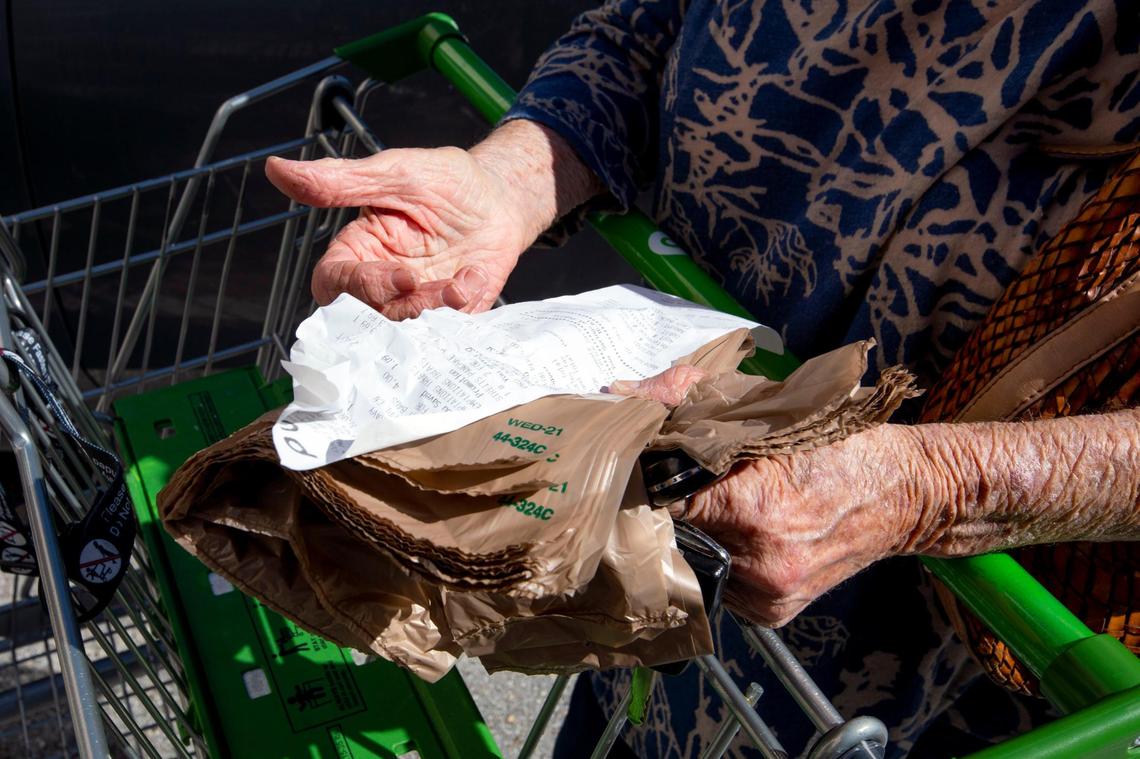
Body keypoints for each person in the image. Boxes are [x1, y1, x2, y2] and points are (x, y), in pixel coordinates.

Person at [265, 1, 1140, 755]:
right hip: (654, 540)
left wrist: (930, 488)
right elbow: (648, 24)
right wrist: (512, 179)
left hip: (894, 669)